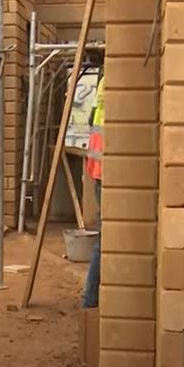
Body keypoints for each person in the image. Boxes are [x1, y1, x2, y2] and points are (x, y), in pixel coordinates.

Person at [82, 75, 104, 308]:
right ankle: (90, 301)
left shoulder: (103, 84)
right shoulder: (113, 83)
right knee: (106, 239)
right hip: (109, 173)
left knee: (104, 238)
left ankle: (90, 300)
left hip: (100, 170)